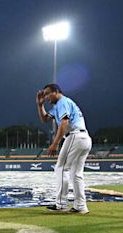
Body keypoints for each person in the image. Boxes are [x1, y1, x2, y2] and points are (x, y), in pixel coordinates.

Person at [36, 83, 92, 214]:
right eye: (44, 95)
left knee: (61, 168)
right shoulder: (58, 106)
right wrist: (40, 105)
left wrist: (55, 143)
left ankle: (61, 204)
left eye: (48, 94)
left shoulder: (62, 101)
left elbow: (64, 122)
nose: (46, 97)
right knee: (76, 174)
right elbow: (45, 119)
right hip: (84, 138)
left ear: (56, 92)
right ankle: (80, 206)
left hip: (75, 136)